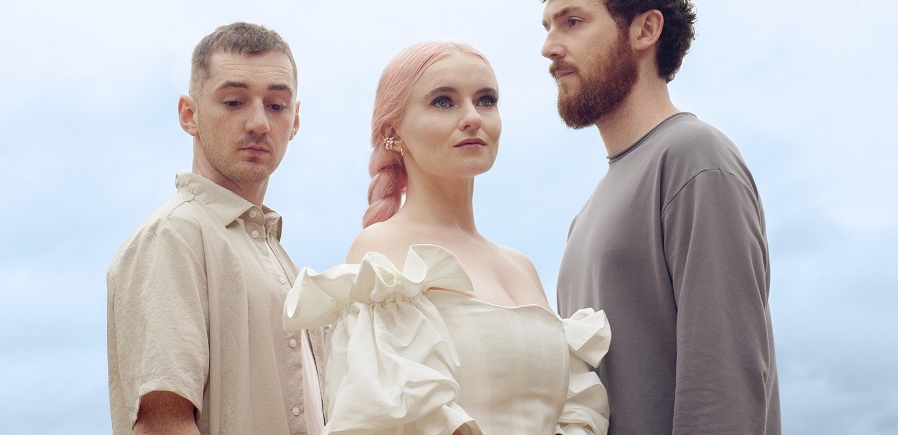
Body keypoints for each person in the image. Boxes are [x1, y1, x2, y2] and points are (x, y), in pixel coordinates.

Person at [283, 41, 611, 434]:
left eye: (486, 100)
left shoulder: (521, 266)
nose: (472, 117)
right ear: (392, 133)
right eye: (444, 102)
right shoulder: (383, 250)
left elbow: (577, 410)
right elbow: (387, 416)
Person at [535, 0, 781, 434]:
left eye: (573, 22)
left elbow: (724, 383)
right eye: (547, 28)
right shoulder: (584, 217)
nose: (550, 48)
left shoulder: (695, 158)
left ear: (645, 30)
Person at [107, 22, 324, 435]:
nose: (258, 122)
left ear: (295, 121)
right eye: (234, 102)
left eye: (277, 105)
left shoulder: (278, 257)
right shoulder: (173, 236)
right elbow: (162, 426)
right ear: (190, 115)